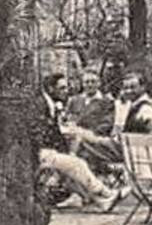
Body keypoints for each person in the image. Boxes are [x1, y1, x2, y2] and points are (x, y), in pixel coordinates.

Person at [36, 73, 120, 211]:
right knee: (76, 163)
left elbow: (106, 125)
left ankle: (99, 201)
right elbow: (42, 132)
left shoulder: (50, 104)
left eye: (66, 87)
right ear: (51, 89)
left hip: (85, 138)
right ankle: (105, 193)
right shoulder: (42, 105)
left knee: (72, 162)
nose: (66, 91)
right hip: (39, 153)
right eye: (62, 88)